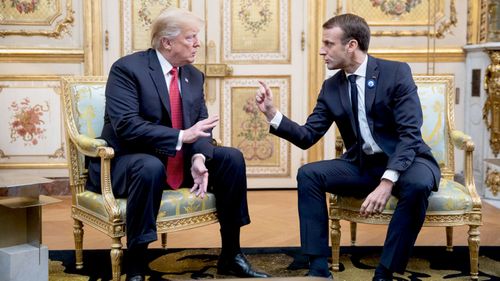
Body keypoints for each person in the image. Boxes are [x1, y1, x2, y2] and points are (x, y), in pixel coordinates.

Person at [86, 7, 269, 281]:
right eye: (191, 37)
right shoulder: (127, 69)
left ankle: (232, 254)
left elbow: (202, 127)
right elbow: (126, 125)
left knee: (231, 158)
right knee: (149, 167)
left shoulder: (193, 75)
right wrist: (181, 137)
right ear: (167, 42)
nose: (197, 44)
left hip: (177, 162)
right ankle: (135, 265)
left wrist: (198, 159)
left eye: (197, 37)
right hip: (129, 163)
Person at [255, 13, 440, 281]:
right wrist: (272, 113)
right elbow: (308, 135)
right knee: (309, 174)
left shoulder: (396, 73)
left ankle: (385, 271)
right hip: (363, 165)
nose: (322, 50)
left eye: (329, 44)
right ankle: (318, 268)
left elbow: (409, 135)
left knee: (418, 185)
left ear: (351, 45)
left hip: (408, 161)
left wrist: (387, 182)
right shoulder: (332, 87)